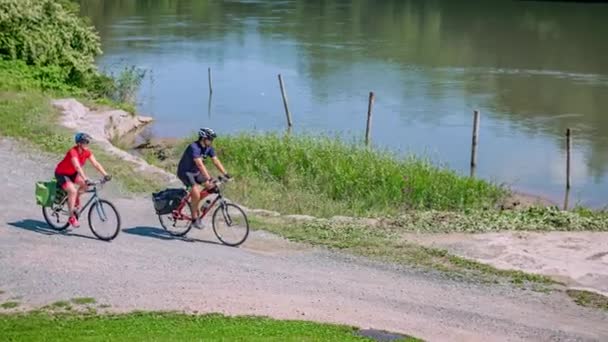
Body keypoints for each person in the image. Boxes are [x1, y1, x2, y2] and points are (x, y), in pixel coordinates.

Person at [177, 127, 230, 228]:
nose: (211, 141)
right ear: (203, 138)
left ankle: (196, 204)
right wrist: (209, 178)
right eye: (210, 139)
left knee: (212, 188)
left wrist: (226, 173)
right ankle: (194, 219)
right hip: (185, 173)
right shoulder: (194, 147)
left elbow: (216, 161)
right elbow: (200, 165)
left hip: (196, 172)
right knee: (196, 193)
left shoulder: (208, 148)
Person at [55, 133, 111, 228]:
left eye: (88, 142)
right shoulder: (73, 152)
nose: (87, 144)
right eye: (85, 142)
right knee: (72, 191)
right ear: (79, 143)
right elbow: (77, 167)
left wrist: (105, 174)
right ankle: (71, 217)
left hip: (72, 174)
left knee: (85, 186)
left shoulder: (87, 152)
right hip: (62, 173)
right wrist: (85, 178)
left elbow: (96, 164)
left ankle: (75, 201)